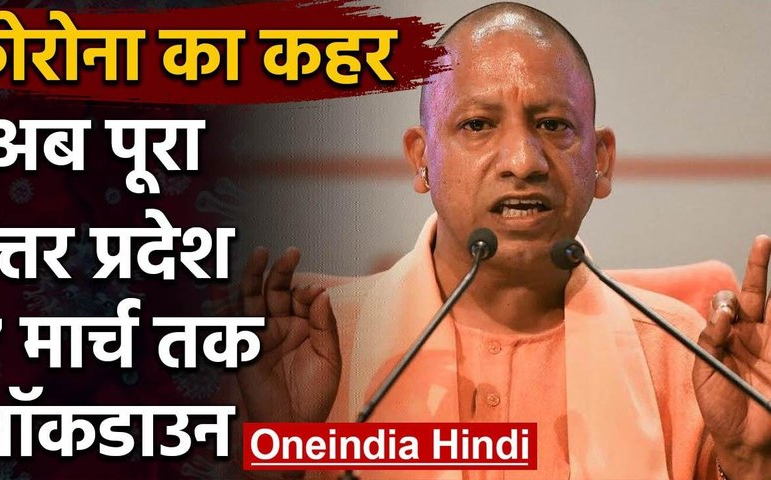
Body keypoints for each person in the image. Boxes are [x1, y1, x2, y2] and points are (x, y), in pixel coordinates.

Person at [238, 3, 771, 479]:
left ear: (601, 161)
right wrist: (278, 462)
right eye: (477, 125)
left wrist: (750, 464)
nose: (522, 162)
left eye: (553, 125)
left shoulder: (689, 358)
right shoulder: (306, 350)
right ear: (422, 159)